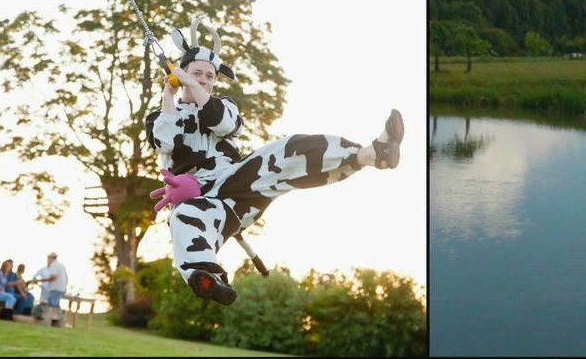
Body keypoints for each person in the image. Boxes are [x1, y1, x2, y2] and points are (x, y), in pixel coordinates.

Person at [144, 16, 404, 305]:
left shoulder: (225, 106)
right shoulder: (160, 117)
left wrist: (191, 81)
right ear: (180, 74)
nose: (204, 80)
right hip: (206, 202)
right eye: (197, 73)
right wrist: (169, 94)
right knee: (183, 218)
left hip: (236, 184)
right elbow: (164, 142)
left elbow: (223, 123)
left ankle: (373, 153)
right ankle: (206, 276)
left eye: (209, 76)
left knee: (286, 151)